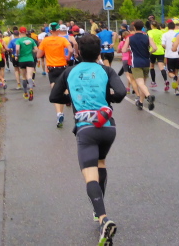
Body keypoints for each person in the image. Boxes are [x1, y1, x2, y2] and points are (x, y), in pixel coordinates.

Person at [49, 35, 126, 246]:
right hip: (108, 127)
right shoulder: (106, 70)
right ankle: (98, 209)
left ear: (79, 52)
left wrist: (71, 99)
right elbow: (121, 92)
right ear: (99, 52)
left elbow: (54, 97)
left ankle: (103, 218)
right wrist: (108, 98)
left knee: (90, 175)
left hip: (86, 129)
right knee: (101, 162)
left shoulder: (69, 71)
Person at [37, 22, 73, 127]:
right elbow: (71, 49)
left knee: (55, 91)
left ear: (49, 30)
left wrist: (45, 53)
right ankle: (68, 99)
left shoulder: (45, 40)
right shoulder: (63, 39)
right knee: (64, 88)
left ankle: (59, 113)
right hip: (62, 67)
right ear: (58, 30)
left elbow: (39, 54)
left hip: (51, 69)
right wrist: (68, 56)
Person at [121, 20, 157, 110]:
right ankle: (140, 102)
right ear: (142, 27)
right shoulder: (147, 37)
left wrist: (130, 49)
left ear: (134, 28)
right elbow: (155, 48)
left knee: (140, 83)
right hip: (146, 62)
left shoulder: (130, 38)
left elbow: (123, 50)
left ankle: (148, 96)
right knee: (143, 84)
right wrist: (149, 52)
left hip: (136, 62)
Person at [16, 26, 38, 101]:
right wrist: (31, 51)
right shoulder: (31, 40)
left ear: (19, 32)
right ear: (26, 32)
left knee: (23, 77)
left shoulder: (19, 40)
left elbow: (17, 49)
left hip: (22, 60)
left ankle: (25, 93)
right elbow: (36, 50)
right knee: (29, 76)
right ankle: (31, 89)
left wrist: (17, 55)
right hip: (30, 59)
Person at [161, 21, 179, 95]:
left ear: (168, 27)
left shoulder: (165, 34)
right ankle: (176, 90)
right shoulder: (178, 34)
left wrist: (167, 47)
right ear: (174, 27)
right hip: (177, 56)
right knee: (176, 72)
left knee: (170, 73)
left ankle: (174, 77)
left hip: (169, 55)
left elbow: (163, 44)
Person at [147, 21, 167, 89]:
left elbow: (149, 40)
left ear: (151, 25)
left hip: (153, 50)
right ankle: (165, 80)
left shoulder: (150, 32)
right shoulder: (161, 32)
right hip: (161, 50)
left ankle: (153, 82)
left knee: (151, 66)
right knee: (161, 67)